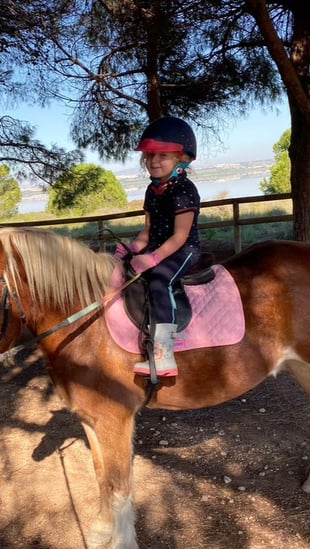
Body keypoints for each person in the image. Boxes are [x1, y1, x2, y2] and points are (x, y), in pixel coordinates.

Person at [115, 116, 201, 377]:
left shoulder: (184, 190)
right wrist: (132, 248)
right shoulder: (152, 191)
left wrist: (152, 259)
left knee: (159, 281)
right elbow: (148, 230)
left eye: (162, 155)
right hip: (157, 248)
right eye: (150, 156)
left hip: (184, 250)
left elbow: (180, 236)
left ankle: (165, 355)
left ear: (181, 159)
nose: (154, 161)